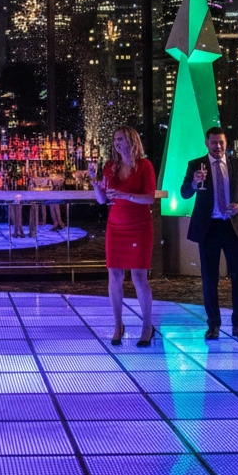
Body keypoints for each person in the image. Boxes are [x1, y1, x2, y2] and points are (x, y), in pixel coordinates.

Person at [181, 126, 238, 340]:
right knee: (209, 279)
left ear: (226, 143)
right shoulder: (195, 165)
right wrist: (194, 182)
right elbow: (184, 193)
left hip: (233, 227)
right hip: (209, 228)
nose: (218, 146)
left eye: (221, 142)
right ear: (207, 143)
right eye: (214, 142)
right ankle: (213, 325)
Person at [90, 126, 157, 346]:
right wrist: (95, 184)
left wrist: (125, 195)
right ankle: (118, 325)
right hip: (115, 226)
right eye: (115, 140)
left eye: (121, 139)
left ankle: (147, 325)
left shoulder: (145, 166)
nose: (117, 143)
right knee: (114, 276)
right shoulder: (110, 166)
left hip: (139, 226)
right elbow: (102, 200)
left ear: (132, 140)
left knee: (139, 277)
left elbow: (149, 198)